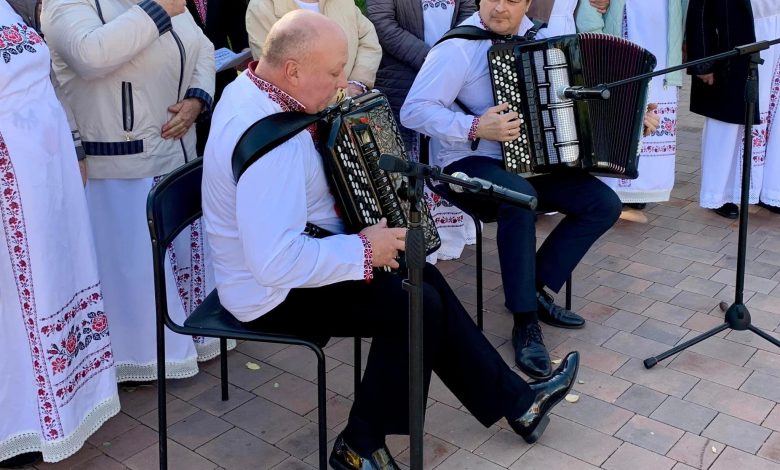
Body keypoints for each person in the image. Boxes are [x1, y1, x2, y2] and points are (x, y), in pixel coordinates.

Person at [202, 10, 579, 469]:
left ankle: (519, 404)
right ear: (292, 70)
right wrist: (364, 249)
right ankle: (359, 446)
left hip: (284, 261)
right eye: (334, 72)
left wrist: (365, 217)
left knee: (419, 276)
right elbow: (275, 262)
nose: (343, 82)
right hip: (267, 292)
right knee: (414, 307)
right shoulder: (269, 143)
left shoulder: (253, 88)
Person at [401, 0, 625, 380]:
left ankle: (532, 288)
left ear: (528, 4)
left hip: (527, 163)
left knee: (602, 203)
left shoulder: (542, 40)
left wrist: (624, 123)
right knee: (519, 200)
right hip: (464, 165)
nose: (500, 7)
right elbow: (413, 111)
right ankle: (525, 322)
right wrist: (474, 127)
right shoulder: (456, 48)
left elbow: (570, 102)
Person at [42, 0, 219, 382]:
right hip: (120, 165)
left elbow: (202, 46)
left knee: (180, 257)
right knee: (135, 267)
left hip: (176, 152)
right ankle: (142, 359)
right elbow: (90, 54)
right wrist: (157, 11)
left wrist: (196, 98)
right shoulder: (64, 3)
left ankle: (192, 338)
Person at [0, 0, 119, 466]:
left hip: (44, 181)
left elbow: (44, 80)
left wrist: (68, 145)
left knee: (51, 286)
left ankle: (57, 410)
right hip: (12, 187)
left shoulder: (8, 7)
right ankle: (18, 424)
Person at [367, 0, 478, 263]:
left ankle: (449, 233)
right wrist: (434, 59)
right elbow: (382, 23)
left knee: (446, 153)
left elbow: (469, 13)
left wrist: (453, 56)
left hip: (453, 76)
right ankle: (417, 239)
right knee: (409, 160)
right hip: (402, 75)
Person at [576, 0, 687, 210]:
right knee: (621, 107)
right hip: (623, 38)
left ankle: (640, 188)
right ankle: (611, 184)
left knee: (652, 107)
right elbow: (589, 12)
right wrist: (596, 44)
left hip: (662, 39)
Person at [686, 0, 780, 218]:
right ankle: (720, 194)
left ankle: (769, 191)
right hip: (738, 42)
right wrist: (703, 62)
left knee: (774, 121)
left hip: (777, 38)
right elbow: (700, 12)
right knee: (728, 123)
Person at [246, 0, 381, 98]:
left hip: (354, 104)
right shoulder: (261, 6)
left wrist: (357, 82)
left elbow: (367, 39)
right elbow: (277, 72)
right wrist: (342, 94)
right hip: (300, 121)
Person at [186, 0, 250, 156]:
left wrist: (243, 50)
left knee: (226, 133)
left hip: (223, 76)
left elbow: (237, 21)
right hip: (188, 81)